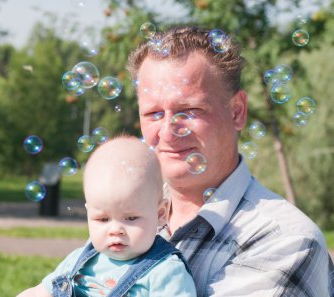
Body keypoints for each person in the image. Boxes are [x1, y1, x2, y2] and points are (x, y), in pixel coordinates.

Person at [126, 26, 334, 296]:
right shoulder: (130, 214)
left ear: (237, 111)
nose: (167, 132)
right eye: (153, 113)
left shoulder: (286, 241)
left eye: (190, 110)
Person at [17, 136, 197, 297]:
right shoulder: (79, 261)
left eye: (131, 218)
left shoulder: (165, 272)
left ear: (160, 214)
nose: (115, 230)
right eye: (103, 219)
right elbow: (41, 292)